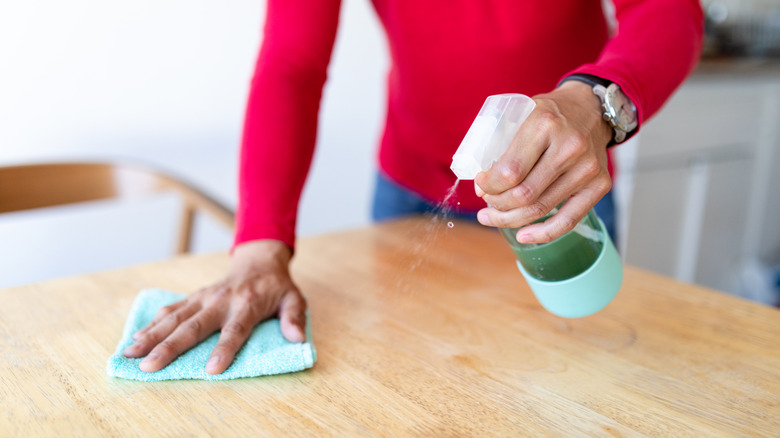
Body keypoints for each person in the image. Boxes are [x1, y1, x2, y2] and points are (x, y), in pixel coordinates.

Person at [123, 0, 703, 374]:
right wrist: (258, 248)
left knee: (584, 386)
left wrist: (597, 101)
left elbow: (669, 9)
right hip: (409, 193)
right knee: (405, 384)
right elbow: (291, 64)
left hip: (559, 190)